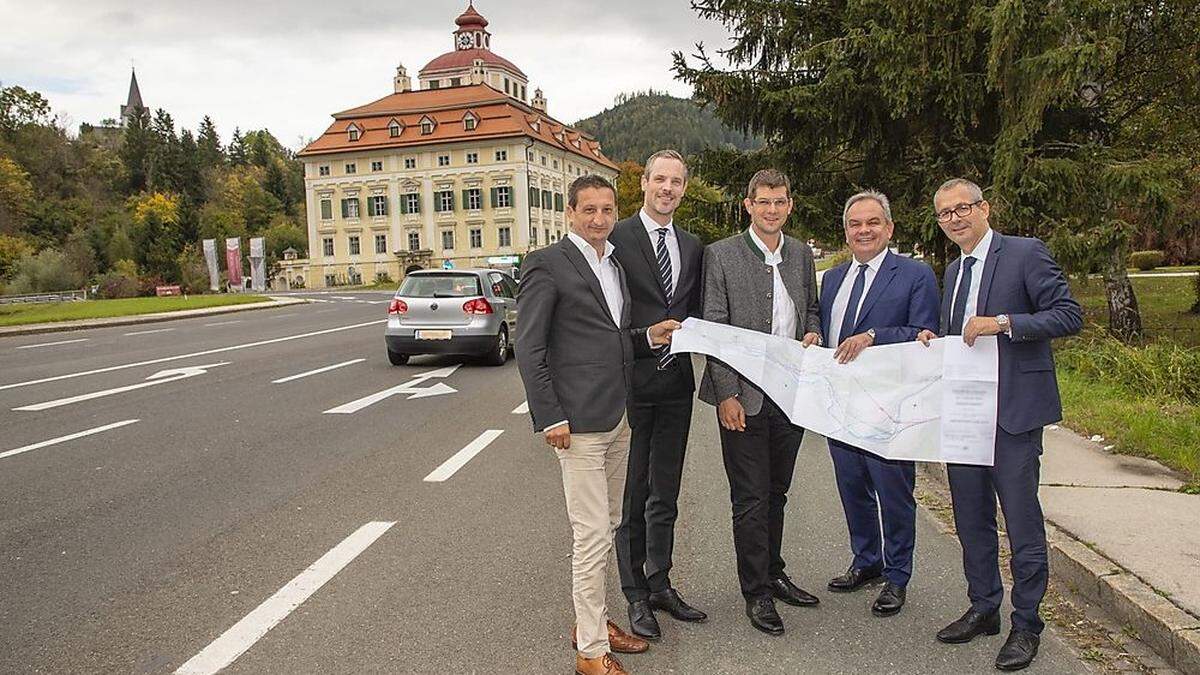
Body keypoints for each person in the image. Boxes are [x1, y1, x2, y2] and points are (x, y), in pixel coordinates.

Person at [515, 174, 680, 675]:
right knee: (590, 535)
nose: (599, 219)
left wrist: (647, 335)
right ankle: (590, 652)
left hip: (616, 417)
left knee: (607, 525)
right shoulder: (548, 264)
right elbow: (529, 346)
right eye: (589, 210)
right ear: (570, 212)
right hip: (578, 423)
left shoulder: (613, 264)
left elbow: (610, 337)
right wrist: (551, 417)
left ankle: (593, 620)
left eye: (607, 210)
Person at [917, 178, 1081, 671]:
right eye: (945, 214)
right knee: (971, 518)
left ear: (984, 208)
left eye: (962, 208)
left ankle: (1027, 623)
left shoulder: (1025, 253)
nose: (955, 219)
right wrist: (935, 339)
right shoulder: (952, 269)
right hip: (965, 415)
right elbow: (960, 336)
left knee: (1022, 522)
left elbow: (1068, 315)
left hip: (1012, 415)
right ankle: (984, 606)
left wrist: (1005, 321)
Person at [698, 168, 823, 636]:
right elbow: (714, 327)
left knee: (777, 492)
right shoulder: (722, 255)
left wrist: (814, 330)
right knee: (750, 497)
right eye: (763, 201)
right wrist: (726, 393)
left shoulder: (800, 254)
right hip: (742, 397)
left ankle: (774, 570)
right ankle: (756, 592)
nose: (772, 209)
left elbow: (810, 308)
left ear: (790, 205)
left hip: (790, 395)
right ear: (748, 205)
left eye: (780, 201)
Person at [818, 190, 940, 617]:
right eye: (855, 224)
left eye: (872, 223)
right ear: (846, 231)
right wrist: (815, 334)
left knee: (894, 493)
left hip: (891, 405)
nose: (863, 231)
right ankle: (866, 561)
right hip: (840, 407)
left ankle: (897, 576)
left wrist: (873, 336)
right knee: (853, 489)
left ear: (888, 228)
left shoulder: (914, 275)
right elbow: (826, 325)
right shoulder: (833, 279)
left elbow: (925, 332)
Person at [610, 150, 707, 640]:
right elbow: (608, 320)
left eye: (676, 181)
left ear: (683, 189)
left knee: (665, 492)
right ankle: (635, 596)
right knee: (634, 496)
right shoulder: (617, 239)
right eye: (659, 180)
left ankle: (660, 581)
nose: (667, 188)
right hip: (632, 384)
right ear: (644, 184)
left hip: (676, 386)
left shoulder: (692, 246)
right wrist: (645, 338)